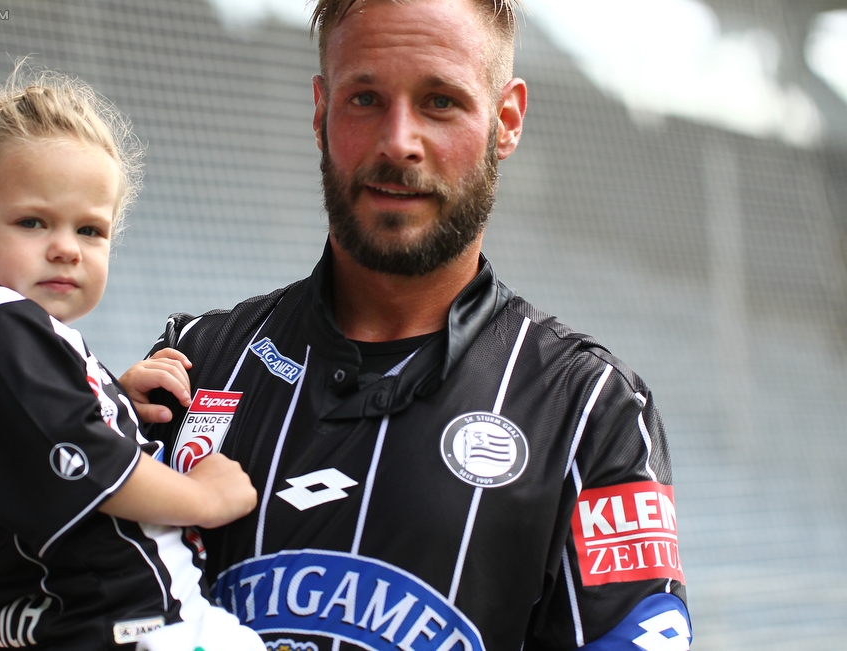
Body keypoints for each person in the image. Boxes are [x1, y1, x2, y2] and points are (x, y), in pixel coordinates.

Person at [145, 0, 691, 649]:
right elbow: (75, 599)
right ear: (321, 112)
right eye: (366, 98)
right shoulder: (194, 365)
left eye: (440, 102)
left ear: (506, 119)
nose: (398, 140)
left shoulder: (589, 410)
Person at [0, 68, 265, 651]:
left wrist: (108, 397)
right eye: (32, 221)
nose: (67, 247)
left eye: (91, 230)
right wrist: (206, 497)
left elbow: (23, 452)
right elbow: (85, 465)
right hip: (133, 627)